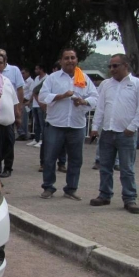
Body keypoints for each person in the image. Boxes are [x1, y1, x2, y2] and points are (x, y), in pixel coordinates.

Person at [89, 54, 139, 214]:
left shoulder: (138, 85)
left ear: (126, 65)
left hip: (126, 134)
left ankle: (130, 199)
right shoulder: (106, 85)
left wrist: (132, 127)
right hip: (107, 132)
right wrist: (95, 127)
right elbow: (100, 107)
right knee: (105, 167)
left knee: (127, 168)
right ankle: (104, 195)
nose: (112, 69)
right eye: (110, 66)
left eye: (115, 66)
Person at [38, 48, 98, 200]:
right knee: (50, 158)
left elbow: (95, 98)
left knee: (76, 159)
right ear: (61, 61)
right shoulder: (53, 78)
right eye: (66, 58)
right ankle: (48, 187)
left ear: (77, 60)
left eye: (72, 58)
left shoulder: (83, 78)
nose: (70, 60)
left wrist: (83, 101)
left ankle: (71, 189)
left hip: (76, 125)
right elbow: (43, 96)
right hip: (55, 124)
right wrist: (62, 96)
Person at [0, 54, 20, 178]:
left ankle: (6, 168)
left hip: (9, 123)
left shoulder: (7, 81)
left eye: (0, 63)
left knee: (8, 148)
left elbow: (14, 100)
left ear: (4, 64)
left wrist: (18, 116)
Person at [28, 64, 47, 147]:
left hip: (41, 104)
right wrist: (30, 101)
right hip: (35, 105)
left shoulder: (47, 78)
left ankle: (43, 140)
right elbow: (33, 91)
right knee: (36, 123)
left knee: (42, 123)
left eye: (37, 69)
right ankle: (36, 139)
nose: (35, 71)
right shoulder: (36, 78)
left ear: (41, 69)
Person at [19, 67, 34, 140]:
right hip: (20, 102)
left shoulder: (31, 82)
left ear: (28, 73)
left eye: (24, 73)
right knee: (20, 117)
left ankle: (24, 134)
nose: (22, 75)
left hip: (26, 102)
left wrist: (25, 100)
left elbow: (31, 93)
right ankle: (21, 133)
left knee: (25, 119)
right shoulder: (22, 81)